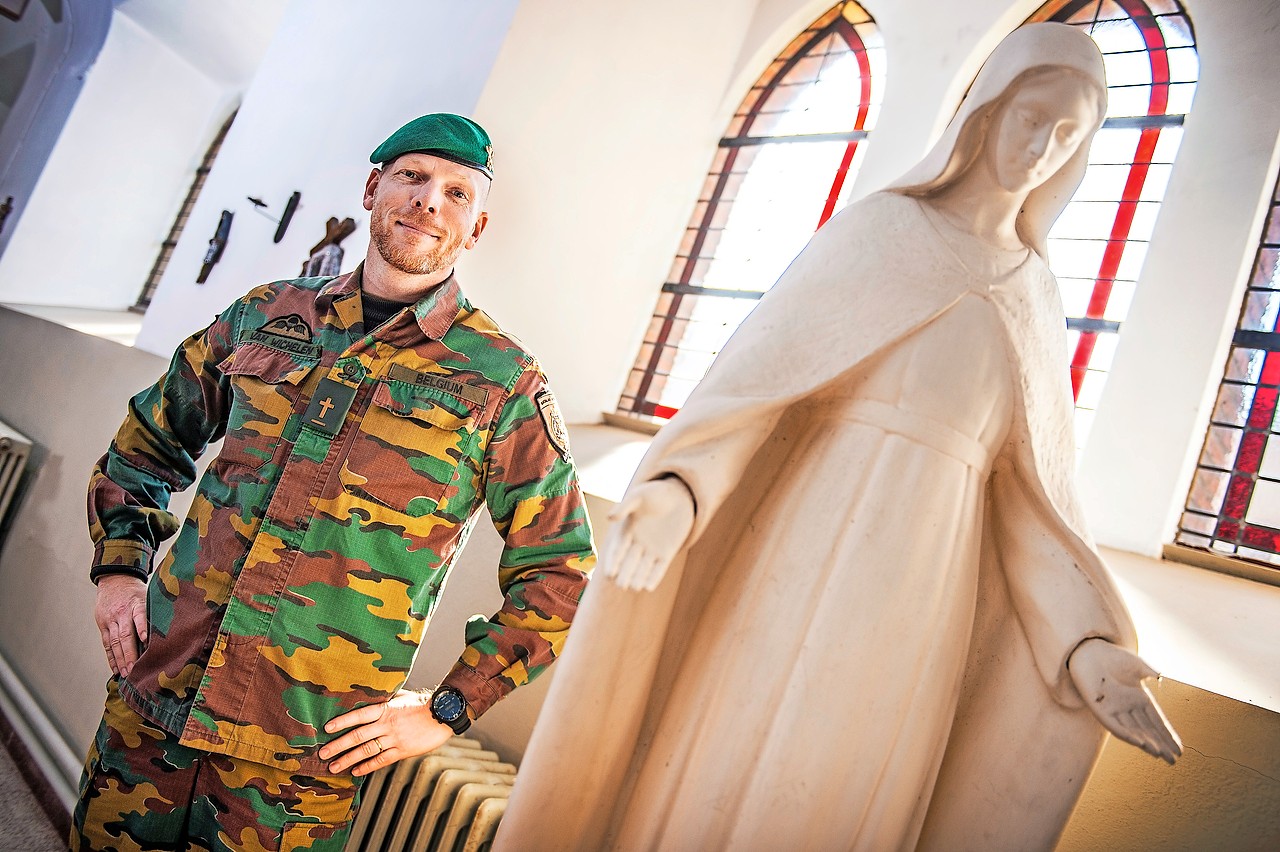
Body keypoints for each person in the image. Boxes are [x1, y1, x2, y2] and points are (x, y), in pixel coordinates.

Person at [498, 24, 1179, 852]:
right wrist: (681, 490)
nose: (1042, 147)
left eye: (1069, 134)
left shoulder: (1033, 296)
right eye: (1032, 117)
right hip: (795, 554)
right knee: (732, 748)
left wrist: (1086, 647)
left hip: (921, 601)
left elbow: (1033, 509)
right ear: (987, 110)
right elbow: (753, 392)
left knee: (846, 782)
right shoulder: (880, 232)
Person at [73, 113, 595, 851]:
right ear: (374, 186)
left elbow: (561, 570)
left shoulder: (501, 381)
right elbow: (150, 441)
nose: (428, 202)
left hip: (301, 756)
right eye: (412, 177)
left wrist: (448, 707)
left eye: (456, 192)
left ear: (475, 229)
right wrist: (119, 571)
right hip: (156, 701)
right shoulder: (267, 315)